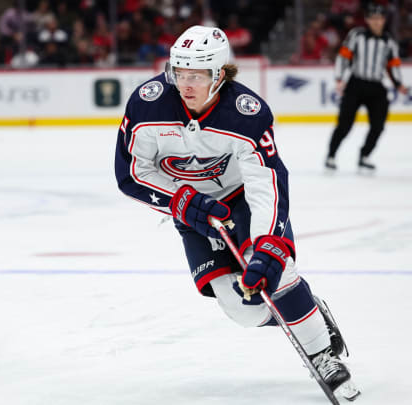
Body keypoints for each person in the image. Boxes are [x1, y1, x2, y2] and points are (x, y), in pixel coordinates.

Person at [114, 25, 360, 401]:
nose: (185, 84)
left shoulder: (247, 114)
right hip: (190, 209)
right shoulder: (147, 104)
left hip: (241, 199)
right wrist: (180, 200)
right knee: (242, 310)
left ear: (219, 74)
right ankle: (306, 313)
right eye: (179, 73)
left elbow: (267, 182)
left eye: (195, 75)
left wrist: (266, 245)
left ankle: (321, 352)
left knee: (275, 275)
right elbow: (131, 173)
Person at [326, 2, 407, 171]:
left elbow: (394, 65)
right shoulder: (357, 35)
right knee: (344, 124)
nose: (377, 22)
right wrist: (340, 78)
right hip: (356, 84)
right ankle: (331, 156)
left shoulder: (389, 41)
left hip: (376, 86)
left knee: (378, 125)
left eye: (380, 18)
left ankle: (365, 155)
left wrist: (399, 84)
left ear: (384, 20)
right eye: (373, 18)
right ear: (368, 20)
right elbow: (343, 57)